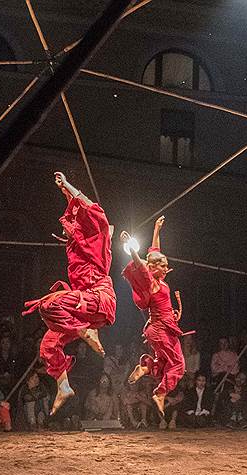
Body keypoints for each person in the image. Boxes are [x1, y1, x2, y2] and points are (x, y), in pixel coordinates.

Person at [23, 172, 117, 415]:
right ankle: (63, 386)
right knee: (48, 345)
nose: (65, 228)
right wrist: (64, 192)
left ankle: (85, 331)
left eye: (71, 225)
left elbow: (91, 207)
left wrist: (68, 185)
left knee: (48, 304)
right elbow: (77, 209)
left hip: (97, 299)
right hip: (81, 307)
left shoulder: (97, 238)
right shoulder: (77, 245)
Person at [120, 216, 187, 416]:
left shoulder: (161, 281)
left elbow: (154, 251)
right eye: (163, 266)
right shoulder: (152, 283)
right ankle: (160, 393)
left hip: (163, 329)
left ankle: (147, 367)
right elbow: (141, 265)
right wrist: (131, 248)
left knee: (166, 365)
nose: (167, 269)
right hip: (159, 329)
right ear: (154, 267)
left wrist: (157, 229)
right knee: (178, 365)